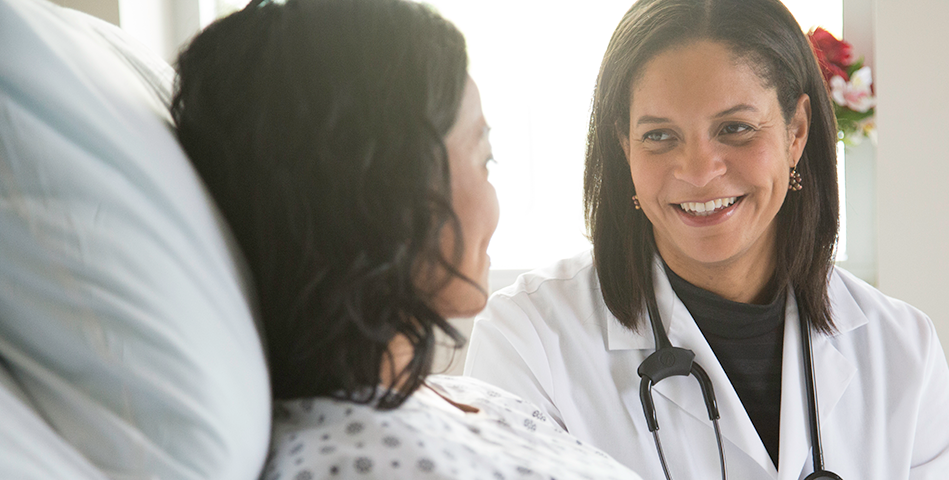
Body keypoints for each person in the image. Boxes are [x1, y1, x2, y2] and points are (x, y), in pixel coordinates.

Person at [462, 0, 949, 479]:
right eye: (659, 136)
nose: (700, 172)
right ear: (624, 145)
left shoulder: (902, 349)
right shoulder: (526, 341)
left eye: (735, 128)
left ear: (796, 132)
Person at [170, 1, 643, 479]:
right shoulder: (351, 461)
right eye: (485, 159)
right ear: (386, 192)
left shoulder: (459, 400)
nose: (494, 200)